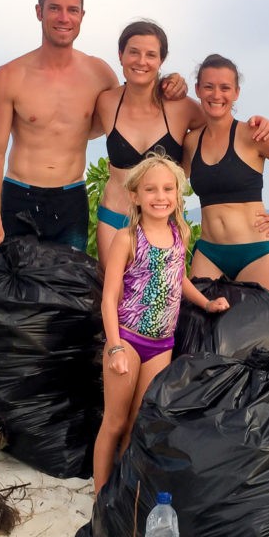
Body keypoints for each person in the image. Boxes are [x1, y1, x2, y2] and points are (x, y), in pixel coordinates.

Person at [0, 0, 186, 258]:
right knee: (16, 295)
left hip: (71, 199)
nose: (64, 18)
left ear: (82, 16)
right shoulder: (9, 76)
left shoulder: (98, 74)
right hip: (19, 196)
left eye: (72, 10)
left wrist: (171, 82)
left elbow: (135, 104)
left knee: (69, 293)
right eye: (54, 8)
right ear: (39, 11)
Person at [93, 154, 229, 493]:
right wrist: (115, 348)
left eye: (168, 189)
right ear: (135, 195)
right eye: (151, 189)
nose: (160, 196)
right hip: (128, 339)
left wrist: (206, 302)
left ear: (178, 195)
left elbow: (177, 277)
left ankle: (119, 493)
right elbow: (109, 299)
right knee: (114, 421)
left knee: (137, 423)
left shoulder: (178, 233)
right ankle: (99, 494)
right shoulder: (127, 239)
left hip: (161, 345)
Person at [95, 22, 269, 269]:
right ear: (120, 55)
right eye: (133, 52)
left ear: (162, 60)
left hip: (161, 221)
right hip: (114, 217)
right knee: (112, 296)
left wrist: (259, 125)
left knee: (161, 300)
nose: (141, 61)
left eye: (151, 55)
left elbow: (223, 126)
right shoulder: (106, 102)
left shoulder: (182, 108)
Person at [182, 54, 269, 301]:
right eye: (208, 86)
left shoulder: (252, 133)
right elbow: (174, 182)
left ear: (236, 93)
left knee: (260, 337)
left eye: (225, 88)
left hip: (257, 253)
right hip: (209, 252)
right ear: (198, 89)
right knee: (197, 330)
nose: (216, 94)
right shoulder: (191, 141)